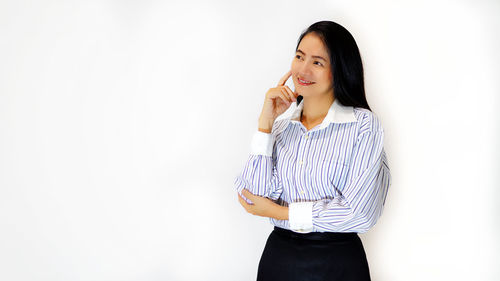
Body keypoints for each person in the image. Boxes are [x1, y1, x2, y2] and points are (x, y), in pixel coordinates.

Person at [234, 20, 392, 281]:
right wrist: (265, 124)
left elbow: (359, 214)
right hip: (279, 262)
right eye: (299, 57)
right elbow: (252, 197)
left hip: (338, 264)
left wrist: (279, 212)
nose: (303, 70)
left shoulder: (363, 125)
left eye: (317, 62)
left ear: (339, 71)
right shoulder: (283, 126)